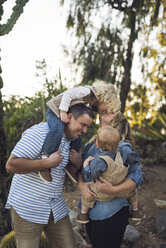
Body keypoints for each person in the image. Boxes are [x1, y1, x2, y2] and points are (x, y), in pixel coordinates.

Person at [5, 103, 94, 248]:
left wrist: (77, 164)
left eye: (87, 127)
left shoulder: (70, 140)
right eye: (82, 125)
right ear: (70, 117)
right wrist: (46, 163)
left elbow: (66, 169)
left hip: (55, 206)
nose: (84, 131)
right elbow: (11, 165)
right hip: (28, 207)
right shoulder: (41, 133)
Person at [74, 111, 143, 248]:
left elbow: (137, 176)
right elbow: (83, 172)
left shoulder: (122, 148)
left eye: (111, 113)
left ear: (115, 124)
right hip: (91, 210)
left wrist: (113, 189)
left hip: (111, 213)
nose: (106, 112)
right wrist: (81, 184)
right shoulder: (91, 144)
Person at [38, 80, 120, 183]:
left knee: (77, 137)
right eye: (107, 108)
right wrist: (63, 111)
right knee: (57, 129)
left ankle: (70, 165)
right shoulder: (86, 91)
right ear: (104, 98)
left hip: (65, 114)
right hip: (55, 110)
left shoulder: (91, 102)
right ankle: (45, 160)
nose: (105, 111)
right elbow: (68, 94)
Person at [76, 125, 140, 224]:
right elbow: (134, 159)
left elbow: (91, 174)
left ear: (97, 143)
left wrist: (85, 165)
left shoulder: (100, 161)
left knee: (88, 196)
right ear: (118, 143)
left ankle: (83, 214)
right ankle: (135, 212)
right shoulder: (123, 153)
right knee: (133, 192)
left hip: (102, 194)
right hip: (121, 191)